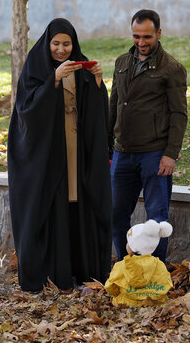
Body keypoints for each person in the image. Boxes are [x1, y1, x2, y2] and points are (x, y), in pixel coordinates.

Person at [7, 18, 112, 292]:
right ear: (47, 43)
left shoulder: (82, 64)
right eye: (56, 44)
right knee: (53, 207)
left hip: (77, 153)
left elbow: (98, 114)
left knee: (77, 206)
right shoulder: (35, 67)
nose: (62, 50)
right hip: (48, 156)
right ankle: (51, 275)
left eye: (67, 44)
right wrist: (54, 80)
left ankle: (82, 272)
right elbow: (26, 111)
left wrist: (98, 83)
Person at [109, 9, 188, 262]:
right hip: (122, 154)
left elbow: (179, 114)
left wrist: (170, 154)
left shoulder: (172, 69)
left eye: (147, 37)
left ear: (159, 34)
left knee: (157, 219)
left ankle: (155, 272)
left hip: (155, 156)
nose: (141, 43)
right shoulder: (121, 63)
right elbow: (114, 105)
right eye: (136, 36)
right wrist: (106, 147)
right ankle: (126, 267)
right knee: (115, 215)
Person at [104, 220, 173, 306]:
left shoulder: (121, 266)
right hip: (153, 303)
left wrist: (116, 294)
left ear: (132, 247)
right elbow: (167, 284)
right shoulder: (159, 265)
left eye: (128, 242)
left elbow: (110, 286)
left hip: (126, 303)